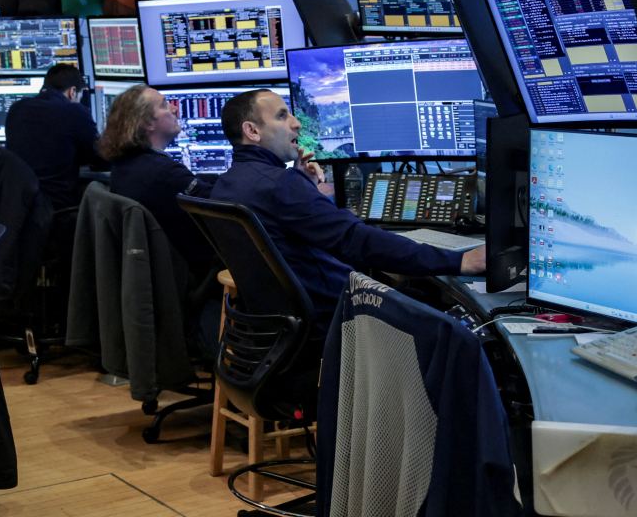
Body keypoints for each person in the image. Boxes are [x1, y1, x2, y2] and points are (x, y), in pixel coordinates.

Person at [213, 89, 484, 337]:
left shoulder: (226, 185)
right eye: (282, 116)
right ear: (252, 130)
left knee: (413, 294)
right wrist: (459, 261)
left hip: (284, 328)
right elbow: (358, 240)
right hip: (337, 323)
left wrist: (301, 185)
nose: (297, 123)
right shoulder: (280, 185)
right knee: (448, 318)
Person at [99, 84, 216, 275]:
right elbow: (219, 202)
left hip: (157, 272)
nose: (174, 108)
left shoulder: (126, 165)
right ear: (148, 123)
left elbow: (188, 184)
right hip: (193, 271)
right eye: (164, 105)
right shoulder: (164, 173)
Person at [5, 63, 105, 211]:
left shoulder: (16, 108)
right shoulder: (75, 112)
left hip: (17, 208)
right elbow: (101, 160)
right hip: (57, 209)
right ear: (72, 91)